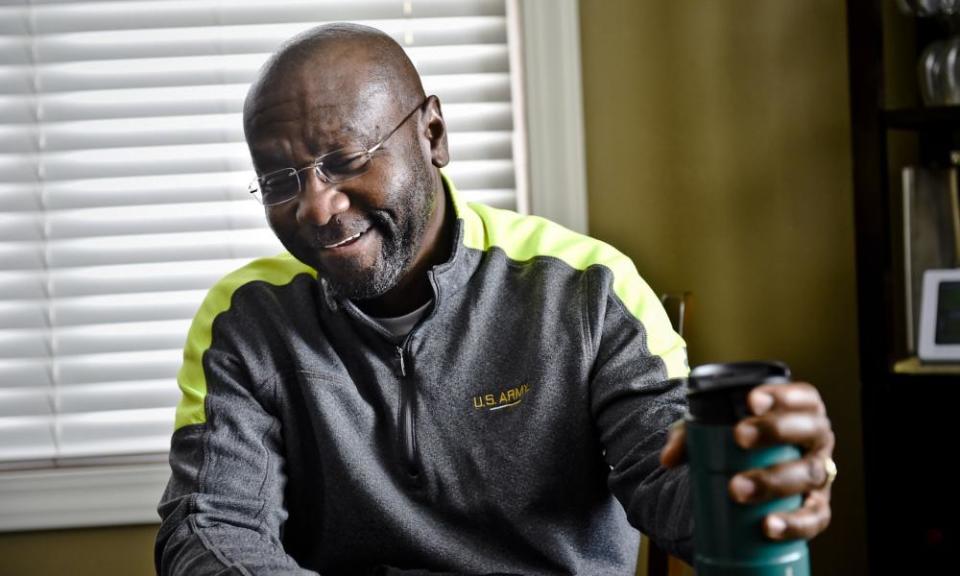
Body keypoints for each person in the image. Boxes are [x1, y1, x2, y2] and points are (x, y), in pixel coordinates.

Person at [155, 23, 836, 576]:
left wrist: (753, 482)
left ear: (433, 135)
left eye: (345, 159)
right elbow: (210, 530)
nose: (317, 206)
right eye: (279, 180)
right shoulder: (247, 318)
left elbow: (669, 480)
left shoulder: (588, 289)